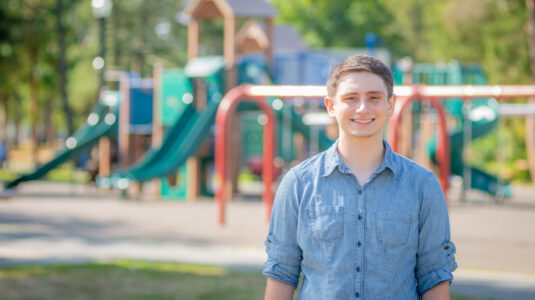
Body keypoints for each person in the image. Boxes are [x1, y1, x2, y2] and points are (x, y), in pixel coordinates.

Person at [263, 55, 457, 299]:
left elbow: (434, 275)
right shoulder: (298, 184)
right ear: (331, 106)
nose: (363, 108)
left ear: (390, 104)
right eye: (351, 98)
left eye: (374, 97)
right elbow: (282, 273)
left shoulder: (422, 185)